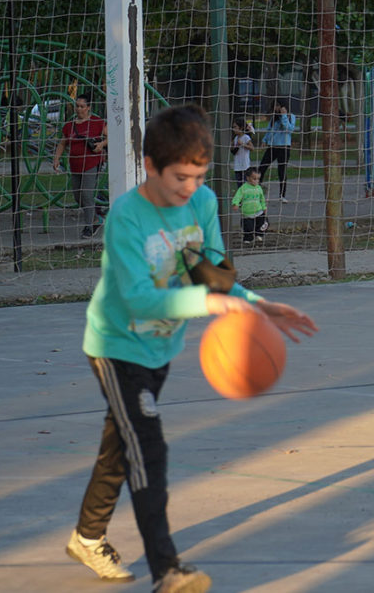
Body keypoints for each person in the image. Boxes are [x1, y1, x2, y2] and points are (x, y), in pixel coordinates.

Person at [66, 104, 317, 593]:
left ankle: (86, 536)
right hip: (118, 345)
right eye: (180, 177)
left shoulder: (201, 203)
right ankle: (168, 571)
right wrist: (209, 303)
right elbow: (139, 299)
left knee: (121, 446)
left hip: (161, 346)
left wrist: (260, 306)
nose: (190, 188)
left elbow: (215, 275)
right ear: (152, 167)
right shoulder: (127, 217)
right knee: (149, 450)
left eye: (199, 177)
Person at [53, 93, 108, 238]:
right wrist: (57, 158)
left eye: (82, 106)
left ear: (88, 108)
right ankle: (95, 218)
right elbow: (63, 143)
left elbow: (111, 136)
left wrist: (101, 144)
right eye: (77, 106)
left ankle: (88, 227)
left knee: (87, 194)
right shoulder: (69, 126)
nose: (79, 109)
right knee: (78, 197)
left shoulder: (97, 122)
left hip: (91, 162)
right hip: (75, 164)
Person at [257, 101, 295, 202]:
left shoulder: (291, 116)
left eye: (278, 105)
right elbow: (269, 130)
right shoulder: (274, 118)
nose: (276, 108)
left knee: (282, 171)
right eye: (274, 106)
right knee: (262, 167)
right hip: (273, 147)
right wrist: (264, 140)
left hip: (284, 148)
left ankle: (282, 195)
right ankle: (256, 190)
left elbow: (290, 129)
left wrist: (284, 116)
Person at [231, 167, 268, 245]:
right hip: (247, 212)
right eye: (254, 179)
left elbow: (262, 199)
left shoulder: (259, 188)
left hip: (258, 211)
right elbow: (238, 196)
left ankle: (259, 234)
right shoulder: (243, 188)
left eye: (258, 179)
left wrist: (264, 207)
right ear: (248, 178)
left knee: (264, 222)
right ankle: (248, 238)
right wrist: (235, 203)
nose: (256, 181)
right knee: (248, 227)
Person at [230, 116, 256, 189]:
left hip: (245, 166)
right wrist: (233, 146)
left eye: (235, 127)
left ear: (241, 128)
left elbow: (252, 148)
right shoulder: (235, 138)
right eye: (233, 127)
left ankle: (247, 199)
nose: (233, 129)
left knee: (245, 185)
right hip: (237, 166)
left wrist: (243, 144)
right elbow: (233, 150)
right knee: (239, 186)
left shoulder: (246, 137)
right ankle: (241, 199)